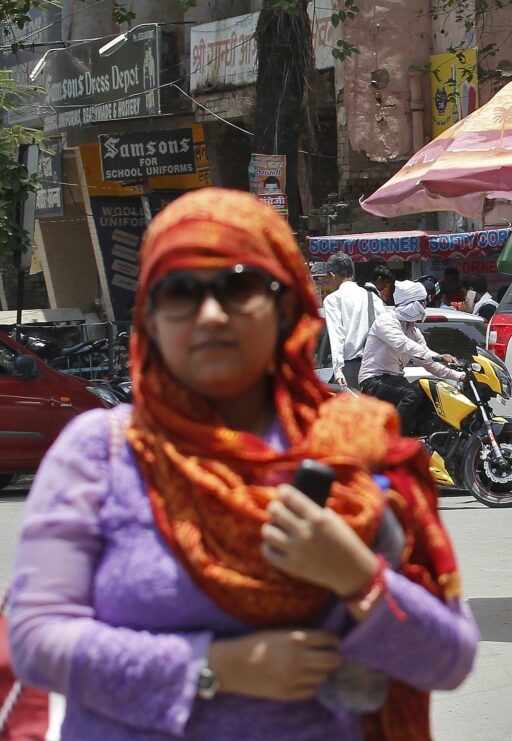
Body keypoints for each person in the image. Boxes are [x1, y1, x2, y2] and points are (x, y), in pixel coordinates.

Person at [8, 188, 478, 739]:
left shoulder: (350, 451)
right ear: (151, 319)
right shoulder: (104, 452)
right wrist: (212, 669)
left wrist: (356, 577)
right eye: (179, 291)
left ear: (286, 307)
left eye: (238, 286)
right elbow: (37, 639)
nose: (210, 314)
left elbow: (448, 659)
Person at [359, 281, 466, 436]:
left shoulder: (412, 329)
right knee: (412, 393)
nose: (424, 307)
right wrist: (438, 356)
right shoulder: (386, 321)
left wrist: (461, 376)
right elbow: (405, 345)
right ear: (412, 303)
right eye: (422, 303)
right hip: (374, 381)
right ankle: (393, 439)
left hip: (394, 380)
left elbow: (429, 363)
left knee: (430, 391)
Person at [322, 252, 386, 388]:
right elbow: (387, 329)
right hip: (376, 367)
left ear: (332, 275)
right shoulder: (372, 297)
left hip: (350, 369)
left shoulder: (333, 299)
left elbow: (336, 335)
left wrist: (338, 370)